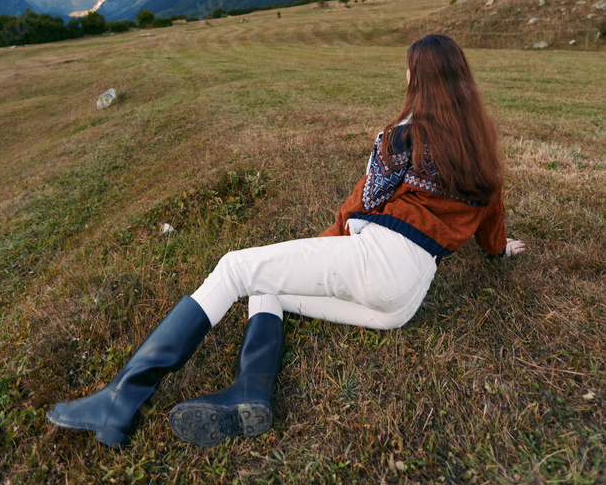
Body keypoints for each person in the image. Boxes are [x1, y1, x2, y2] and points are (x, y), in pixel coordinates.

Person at [47, 33, 526, 449]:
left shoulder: (401, 138)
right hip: (405, 300)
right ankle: (249, 390)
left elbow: (362, 204)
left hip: (374, 259)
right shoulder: (479, 147)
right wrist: (499, 250)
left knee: (235, 267)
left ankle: (120, 399)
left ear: (416, 80)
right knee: (267, 290)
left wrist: (322, 246)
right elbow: (492, 212)